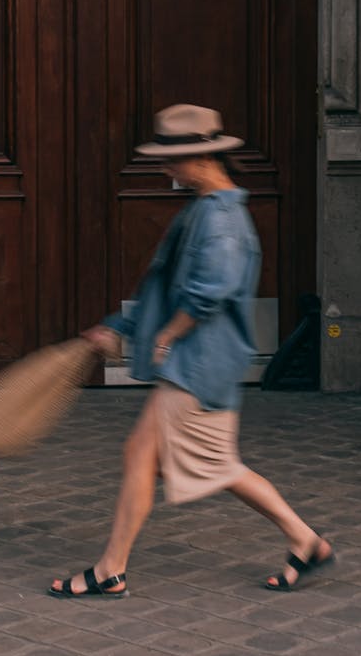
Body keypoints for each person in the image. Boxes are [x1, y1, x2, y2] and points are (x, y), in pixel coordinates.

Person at [48, 104, 335, 599]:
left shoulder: (220, 217)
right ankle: (303, 541)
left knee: (208, 464)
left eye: (171, 158)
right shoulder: (206, 208)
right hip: (200, 362)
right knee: (164, 457)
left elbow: (210, 290)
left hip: (199, 363)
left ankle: (113, 569)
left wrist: (167, 335)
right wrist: (120, 326)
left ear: (202, 158)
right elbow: (164, 286)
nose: (165, 167)